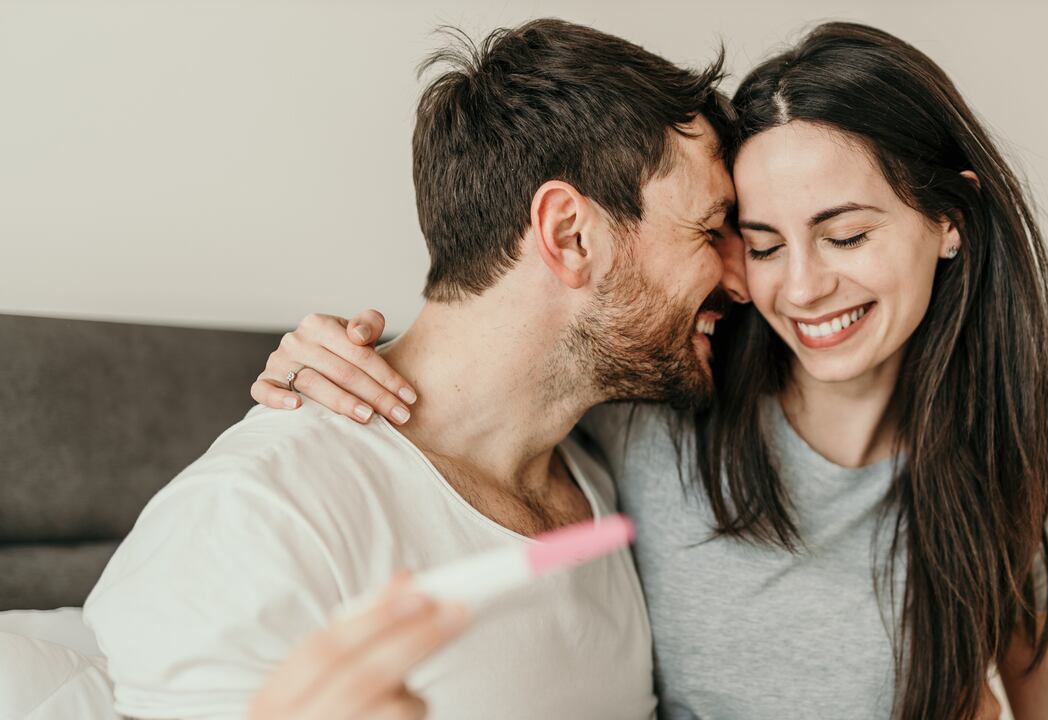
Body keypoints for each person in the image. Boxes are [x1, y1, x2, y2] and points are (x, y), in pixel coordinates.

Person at [258, 22, 1048, 720]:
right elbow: (501, 361)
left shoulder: (1006, 469)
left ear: (950, 220)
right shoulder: (660, 407)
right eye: (761, 242)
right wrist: (334, 357)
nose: (801, 286)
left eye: (847, 235)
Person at [85, 18, 740, 720]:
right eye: (709, 230)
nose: (741, 278)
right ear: (569, 234)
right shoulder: (256, 515)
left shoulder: (601, 471)